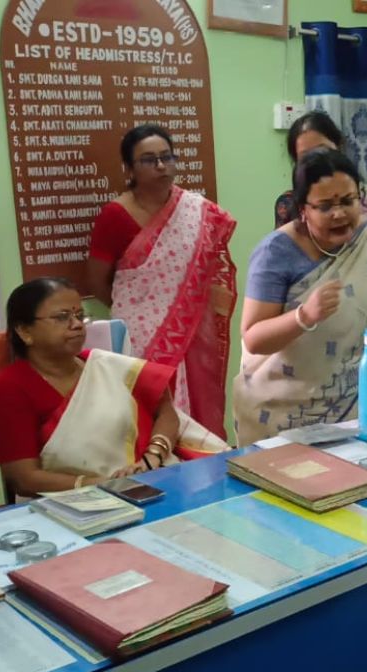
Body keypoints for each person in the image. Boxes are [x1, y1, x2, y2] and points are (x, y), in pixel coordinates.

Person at [233, 148, 367, 445]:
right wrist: (304, 316)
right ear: (303, 208)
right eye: (325, 206)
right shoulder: (275, 253)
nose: (339, 213)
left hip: (351, 416)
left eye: (347, 201)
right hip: (278, 418)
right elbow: (253, 337)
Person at [0, 277, 226, 498]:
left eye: (80, 316)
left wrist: (152, 458)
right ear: (25, 331)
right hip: (76, 502)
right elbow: (24, 478)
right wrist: (104, 483)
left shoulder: (105, 365)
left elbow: (165, 410)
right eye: (62, 317)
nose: (77, 325)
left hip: (151, 479)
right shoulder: (11, 390)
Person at [84, 124, 236, 440]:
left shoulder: (195, 210)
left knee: (195, 413)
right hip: (139, 333)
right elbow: (98, 281)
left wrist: (185, 313)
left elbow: (211, 270)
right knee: (145, 414)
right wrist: (146, 313)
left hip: (192, 332)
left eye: (167, 157)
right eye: (149, 160)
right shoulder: (115, 215)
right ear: (129, 168)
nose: (161, 166)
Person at [272, 111, 367, 236]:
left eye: (323, 150)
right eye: (306, 156)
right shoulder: (289, 204)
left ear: (339, 147)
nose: (316, 161)